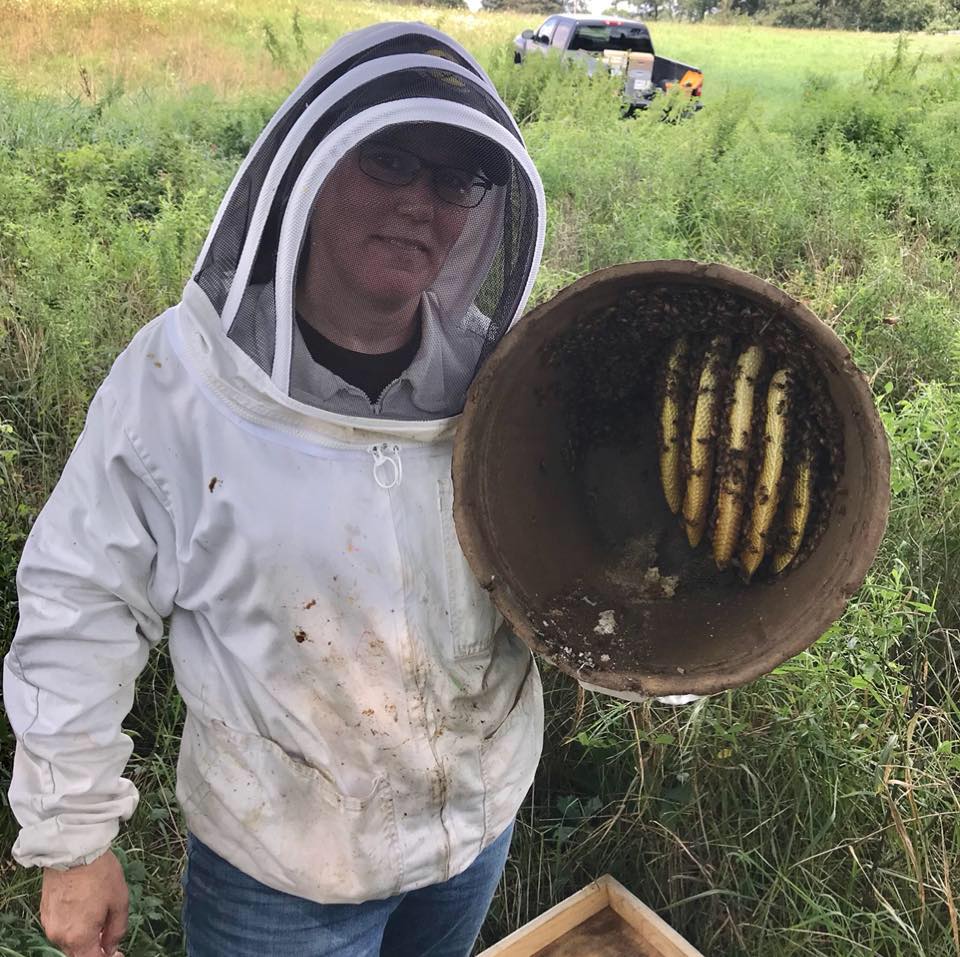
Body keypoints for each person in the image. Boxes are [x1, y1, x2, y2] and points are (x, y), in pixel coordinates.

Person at [3, 22, 546, 957]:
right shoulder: (180, 384)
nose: (421, 202)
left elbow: (564, 567)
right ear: (314, 162)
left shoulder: (500, 382)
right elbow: (84, 595)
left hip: (473, 827)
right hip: (283, 871)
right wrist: (73, 838)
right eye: (390, 159)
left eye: (456, 180)